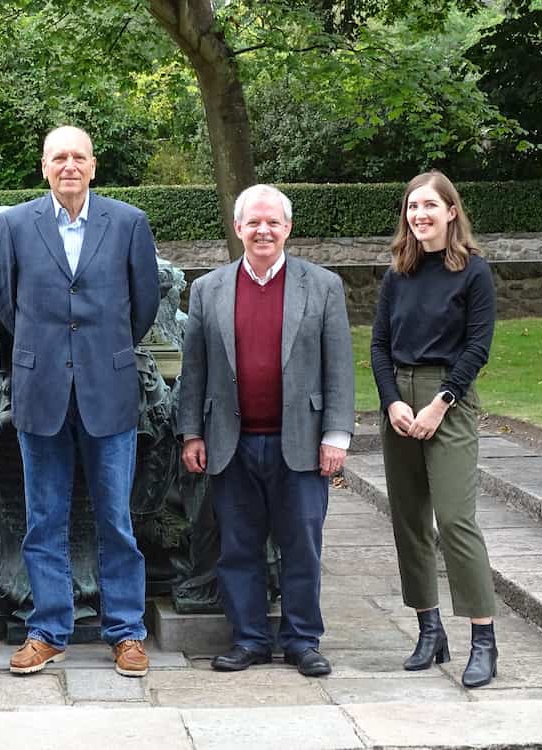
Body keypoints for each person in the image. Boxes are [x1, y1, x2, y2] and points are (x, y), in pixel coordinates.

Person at [0, 125, 160, 677]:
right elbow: (4, 302)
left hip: (107, 390)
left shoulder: (128, 223)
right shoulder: (14, 226)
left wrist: (97, 352)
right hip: (41, 393)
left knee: (116, 518)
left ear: (93, 165)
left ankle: (127, 631)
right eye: (58, 157)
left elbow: (143, 305)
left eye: (78, 157)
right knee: (44, 518)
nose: (69, 165)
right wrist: (49, 350)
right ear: (44, 166)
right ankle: (49, 629)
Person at [177, 184, 354, 676]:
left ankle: (302, 640)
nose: (263, 230)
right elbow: (194, 370)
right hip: (230, 444)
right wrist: (192, 433)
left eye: (273, 222)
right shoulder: (207, 290)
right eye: (253, 222)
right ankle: (250, 638)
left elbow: (339, 367)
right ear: (237, 229)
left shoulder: (322, 286)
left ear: (288, 228)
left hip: (300, 444)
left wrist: (336, 436)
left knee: (302, 545)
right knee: (238, 548)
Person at [370, 171, 498, 688]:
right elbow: (378, 345)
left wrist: (440, 403)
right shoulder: (396, 274)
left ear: (451, 211)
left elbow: (478, 347)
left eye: (429, 206)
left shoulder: (474, 272)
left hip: (450, 398)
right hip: (399, 401)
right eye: (411, 206)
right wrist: (393, 403)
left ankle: (483, 640)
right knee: (408, 519)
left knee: (455, 519)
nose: (418, 214)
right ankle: (429, 629)